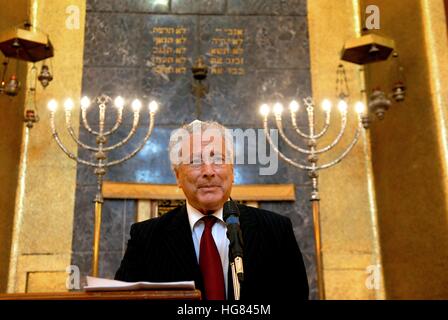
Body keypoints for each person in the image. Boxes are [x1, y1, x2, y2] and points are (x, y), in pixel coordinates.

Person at [115, 120, 309, 300]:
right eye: (195, 162)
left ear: (232, 171)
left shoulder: (276, 229)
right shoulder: (146, 237)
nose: (208, 171)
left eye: (218, 159)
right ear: (177, 176)